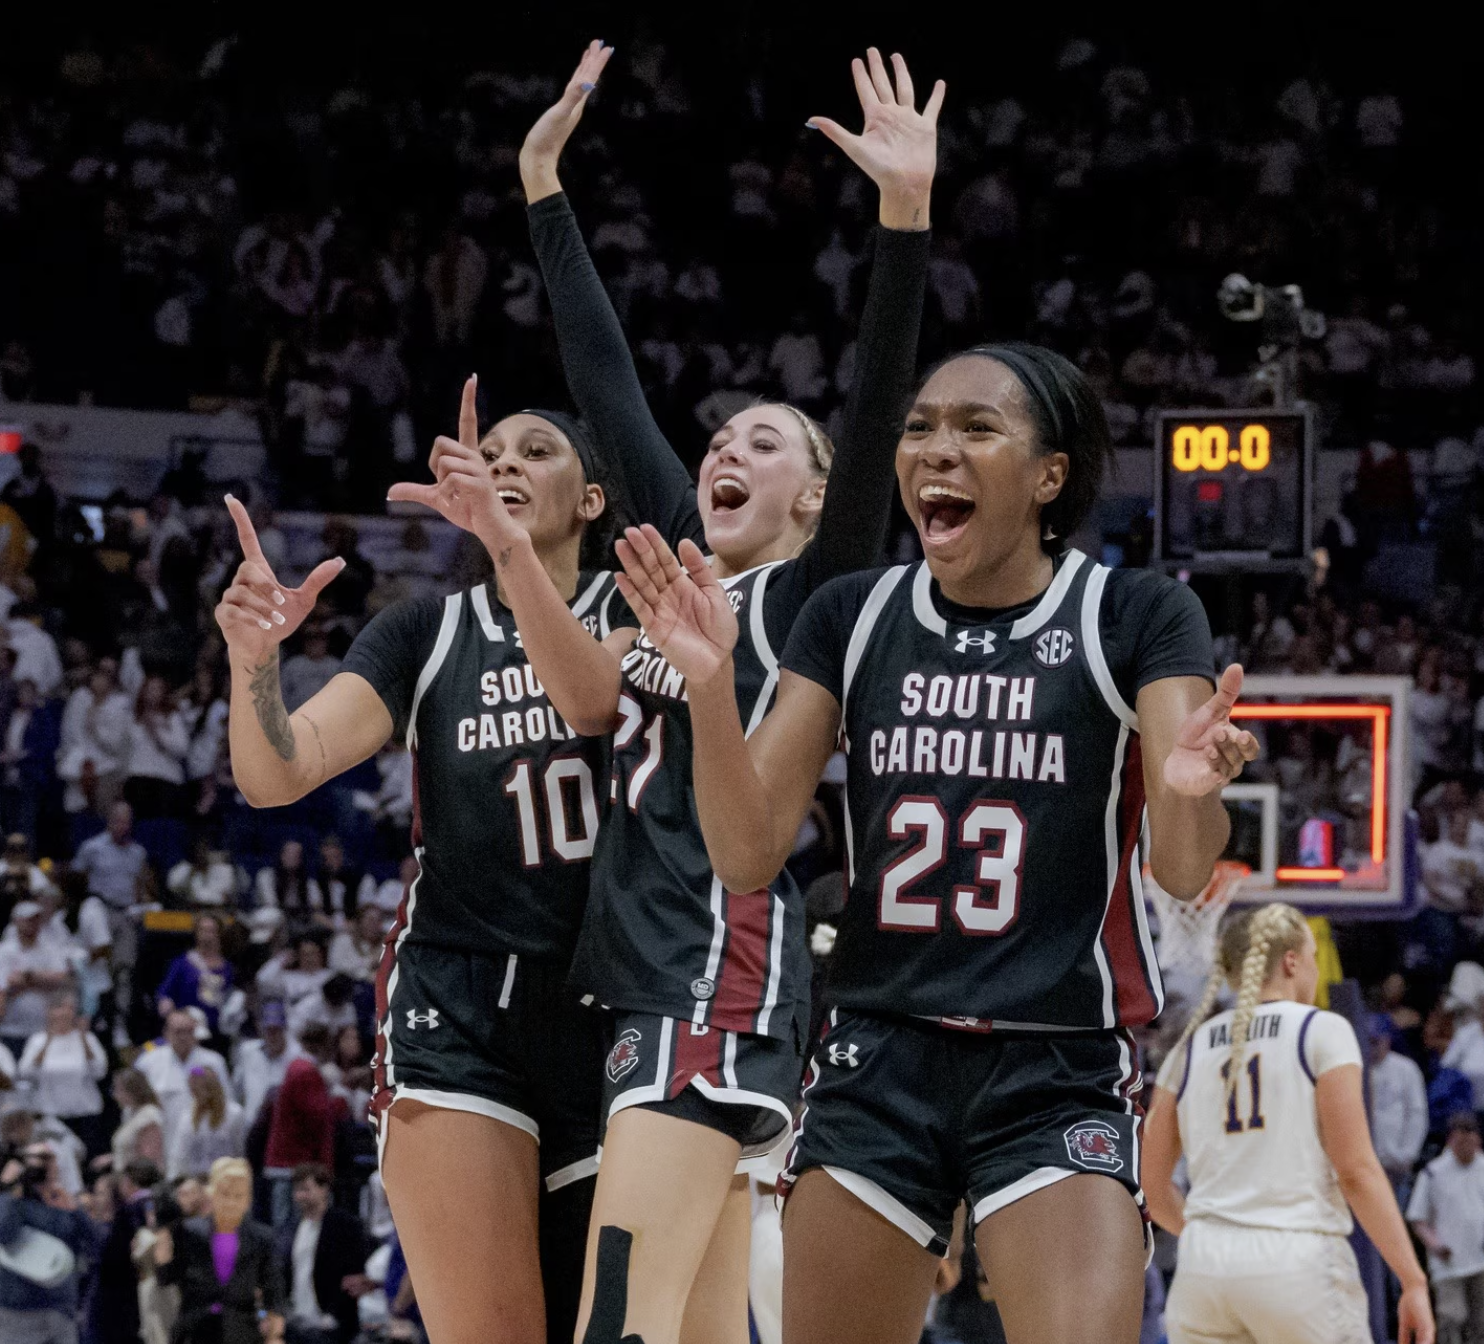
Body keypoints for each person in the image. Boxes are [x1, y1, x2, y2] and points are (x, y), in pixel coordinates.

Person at [609, 337, 1259, 1344]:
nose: (932, 451)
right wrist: (704, 687)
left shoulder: (1132, 612)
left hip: (1056, 1061)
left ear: (1050, 475)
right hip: (878, 1054)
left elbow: (1180, 865)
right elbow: (744, 855)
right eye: (918, 429)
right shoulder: (853, 614)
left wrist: (1179, 790)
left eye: (974, 429)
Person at [213, 73, 698, 1344]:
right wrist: (253, 662)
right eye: (502, 452)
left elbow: (592, 713)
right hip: (459, 998)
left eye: (542, 454)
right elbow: (276, 775)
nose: (511, 467)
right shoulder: (422, 632)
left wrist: (512, 556)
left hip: (619, 1003)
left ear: (593, 502)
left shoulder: (647, 612)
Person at [494, 44, 937, 1344]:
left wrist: (902, 223)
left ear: (809, 497)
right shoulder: (679, 574)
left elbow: (870, 425)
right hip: (652, 977)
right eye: (721, 436)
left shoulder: (812, 599)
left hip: (712, 969)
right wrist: (542, 188)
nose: (726, 445)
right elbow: (606, 386)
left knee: (615, 1326)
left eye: (765, 441)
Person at [1142, 904, 1433, 1344]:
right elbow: (1355, 1171)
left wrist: (1215, 1235)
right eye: (1313, 957)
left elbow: (1152, 1182)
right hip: (1296, 1262)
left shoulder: (1189, 1047)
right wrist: (1413, 1279)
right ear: (1292, 961)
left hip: (1203, 1269)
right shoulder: (1322, 1030)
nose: (1316, 970)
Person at [154, 1156, 284, 1344]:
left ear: (248, 1199)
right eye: (224, 1194)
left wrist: (275, 1334)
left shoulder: (261, 1238)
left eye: (238, 1195)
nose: (231, 1202)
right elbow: (166, 1276)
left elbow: (273, 1290)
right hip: (195, 1329)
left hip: (242, 1332)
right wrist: (163, 1244)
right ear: (212, 1194)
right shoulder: (190, 1231)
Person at [0, 1140, 95, 1344]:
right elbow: (4, 1234)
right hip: (18, 1314)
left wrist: (76, 1210)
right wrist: (8, 1188)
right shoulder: (13, 1203)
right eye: (39, 1159)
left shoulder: (65, 1203)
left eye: (50, 1159)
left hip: (61, 1310)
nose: (45, 1166)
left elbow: (99, 1244)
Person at [71, 801, 148, 1039]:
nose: (122, 826)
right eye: (118, 820)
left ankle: (119, 1024)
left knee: (124, 969)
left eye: (127, 821)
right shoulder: (92, 847)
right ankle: (91, 1018)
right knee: (95, 966)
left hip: (125, 914)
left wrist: (139, 907)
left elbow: (139, 885)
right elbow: (76, 880)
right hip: (99, 911)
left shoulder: (138, 853)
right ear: (110, 821)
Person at [1409, 1113, 1484, 1344]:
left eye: (1471, 1140)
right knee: (1452, 1316)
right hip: (1448, 1261)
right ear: (1451, 1141)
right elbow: (1418, 1218)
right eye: (1461, 1141)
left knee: (1480, 1320)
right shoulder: (1433, 1173)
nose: (1467, 1147)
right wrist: (1435, 1245)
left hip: (1480, 1257)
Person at [279, 1163, 369, 1344]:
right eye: (297, 1190)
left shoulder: (346, 1226)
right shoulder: (290, 1227)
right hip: (296, 1319)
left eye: (306, 1189)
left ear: (324, 1189)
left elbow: (353, 1272)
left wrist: (335, 1313)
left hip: (331, 1323)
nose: (300, 1196)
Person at [17, 994, 108, 1157]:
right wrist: (47, 1042)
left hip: (85, 1113)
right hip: (52, 1114)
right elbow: (25, 1073)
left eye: (69, 1009)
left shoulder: (88, 1038)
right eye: (58, 1009)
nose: (63, 1014)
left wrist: (83, 1038)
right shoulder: (37, 1040)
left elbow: (99, 1071)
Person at [136, 1011, 231, 1143]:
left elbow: (226, 1100)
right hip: (163, 1138)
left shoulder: (213, 1061)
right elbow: (137, 1106)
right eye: (178, 1031)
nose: (183, 1037)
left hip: (204, 1139)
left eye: (189, 1031)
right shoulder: (148, 1062)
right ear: (166, 1033)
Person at [0, 902, 73, 1059]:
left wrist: (28, 977)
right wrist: (42, 981)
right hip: (11, 1029)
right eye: (28, 920)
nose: (33, 924)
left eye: (36, 919)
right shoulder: (5, 950)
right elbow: (6, 985)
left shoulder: (50, 948)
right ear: (17, 921)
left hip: (42, 1028)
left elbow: (61, 977)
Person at [1371, 1014, 1429, 1202]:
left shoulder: (1405, 1068)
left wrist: (1407, 1153)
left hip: (1395, 1162)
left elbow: (1417, 1113)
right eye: (1367, 1040)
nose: (1372, 1046)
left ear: (1387, 1039)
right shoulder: (1355, 1067)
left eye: (1375, 1041)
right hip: (1364, 1161)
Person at [156, 914, 234, 1035]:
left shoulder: (227, 968)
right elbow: (165, 992)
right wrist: (166, 1004)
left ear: (219, 934)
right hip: (187, 1029)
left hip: (217, 1031)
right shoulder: (182, 963)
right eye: (202, 930)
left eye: (211, 930)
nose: (207, 935)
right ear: (196, 933)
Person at [166, 1066, 246, 1180]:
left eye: (199, 1090)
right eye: (193, 1091)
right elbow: (179, 1156)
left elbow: (240, 1151)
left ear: (212, 1089)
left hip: (226, 1181)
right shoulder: (187, 1117)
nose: (195, 1096)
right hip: (195, 1182)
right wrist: (174, 1180)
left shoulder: (234, 1114)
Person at [233, 1000, 303, 1128]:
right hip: (252, 1126)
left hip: (284, 1127)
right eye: (268, 1030)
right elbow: (236, 1089)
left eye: (276, 1030)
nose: (272, 1035)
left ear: (284, 1028)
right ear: (260, 1028)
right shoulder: (247, 1051)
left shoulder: (298, 1056)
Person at [108, 1069, 166, 1172]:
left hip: (141, 1180)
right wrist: (111, 1158)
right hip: (125, 1178)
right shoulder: (128, 1112)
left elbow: (148, 1158)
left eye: (118, 1090)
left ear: (131, 1091)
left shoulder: (149, 1116)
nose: (115, 1095)